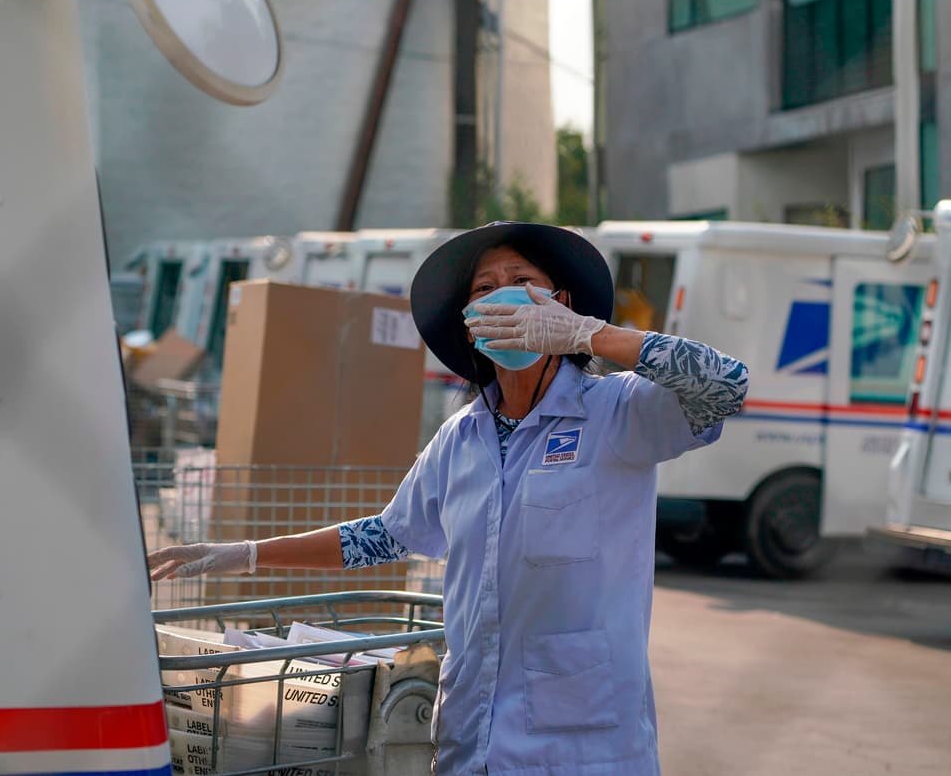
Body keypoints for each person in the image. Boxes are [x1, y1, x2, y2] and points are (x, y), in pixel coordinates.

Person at [148, 221, 749, 775]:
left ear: (560, 304)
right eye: (485, 288)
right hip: (470, 735)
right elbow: (385, 535)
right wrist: (244, 555)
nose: (502, 295)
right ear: (470, 322)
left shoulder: (618, 411)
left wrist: (594, 336)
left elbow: (727, 385)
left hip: (583, 741)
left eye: (522, 283)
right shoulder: (462, 436)